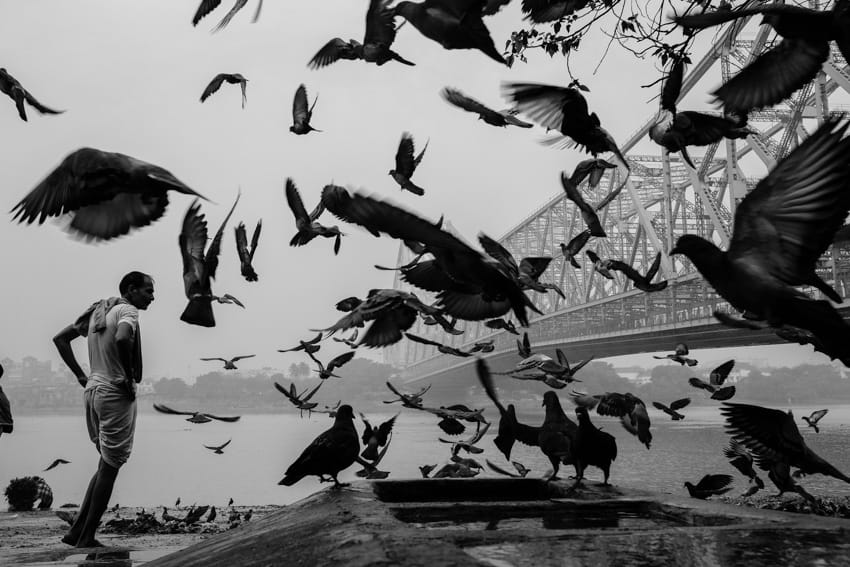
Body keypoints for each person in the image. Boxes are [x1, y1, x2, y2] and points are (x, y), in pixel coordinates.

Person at [53, 271, 154, 548]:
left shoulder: (100, 310)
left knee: (104, 465)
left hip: (94, 390)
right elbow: (122, 339)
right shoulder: (127, 311)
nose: (152, 297)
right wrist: (124, 375)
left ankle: (77, 532)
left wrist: (80, 376)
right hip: (114, 393)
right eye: (148, 291)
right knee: (110, 468)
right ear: (131, 290)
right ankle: (87, 537)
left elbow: (60, 339)